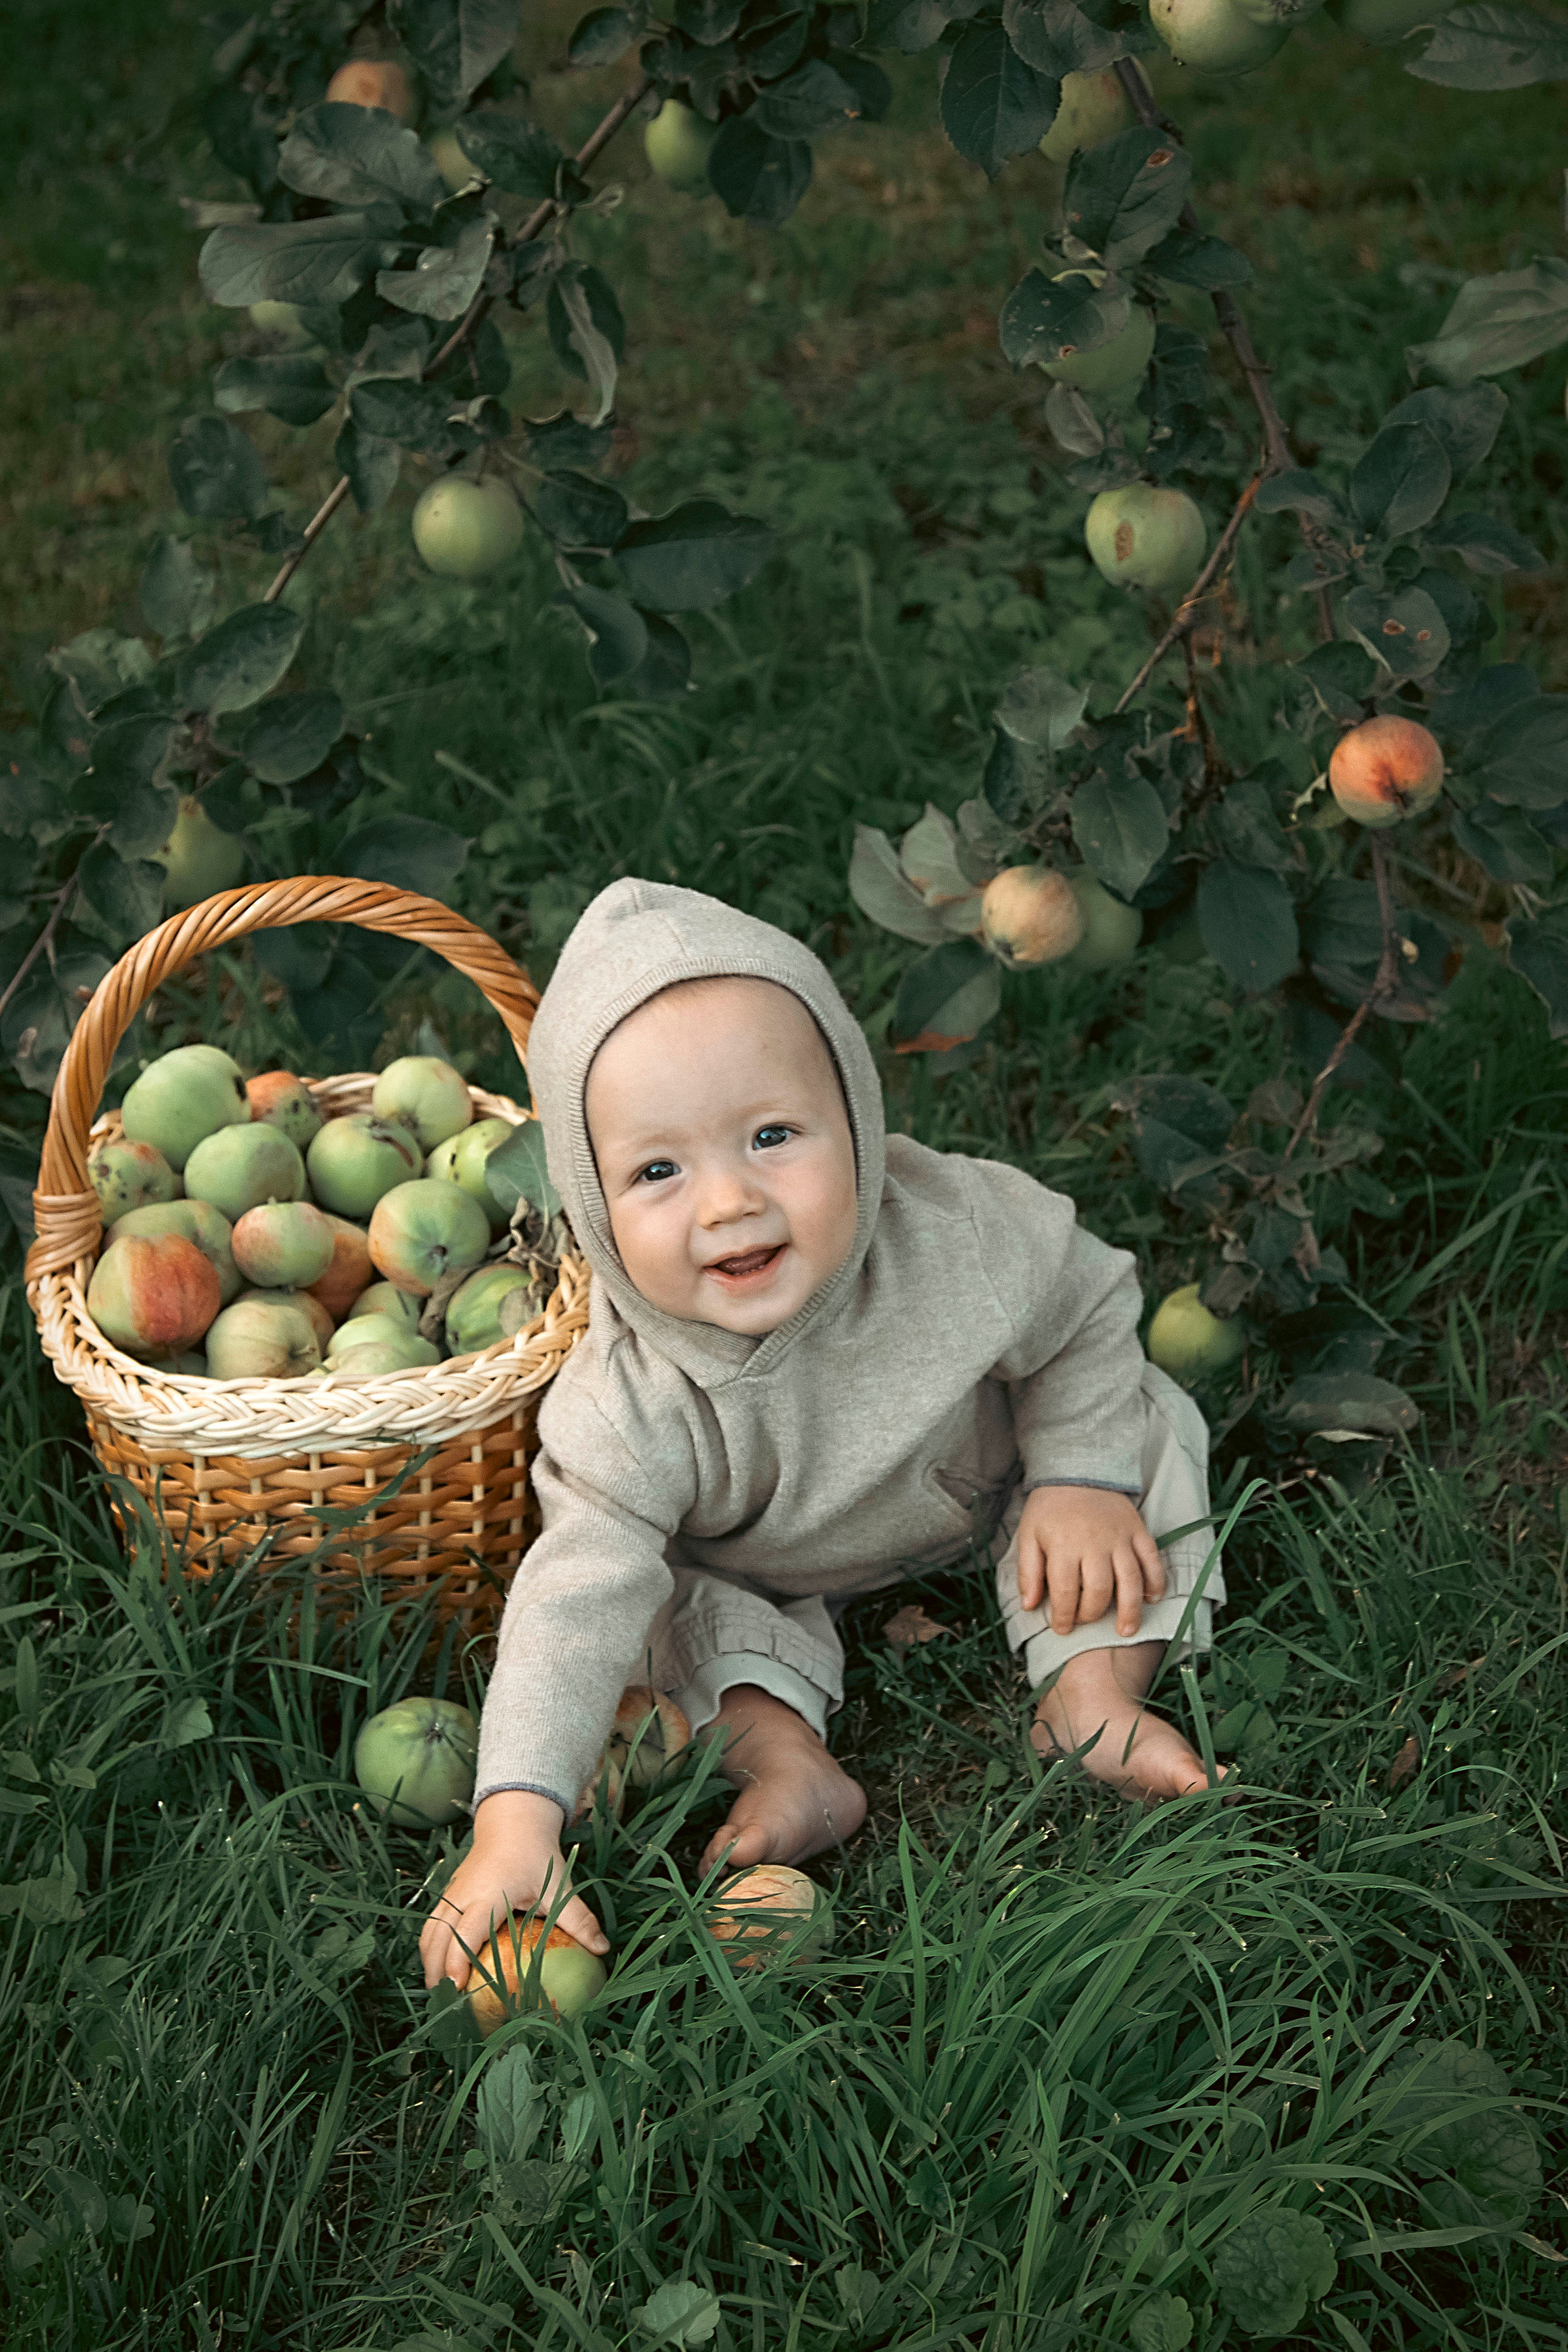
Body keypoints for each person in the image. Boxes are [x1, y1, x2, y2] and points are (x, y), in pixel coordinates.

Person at [421, 879, 1224, 1986]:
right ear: (592, 1204)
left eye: (772, 1135)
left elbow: (1086, 1305)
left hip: (992, 1487)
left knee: (1145, 1429)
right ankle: (791, 1765)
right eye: (658, 1171)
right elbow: (572, 1597)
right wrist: (516, 1821)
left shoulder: (954, 1233)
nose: (728, 1203)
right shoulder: (627, 1398)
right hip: (760, 1574)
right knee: (643, 1615)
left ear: (856, 1115)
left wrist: (1077, 1474)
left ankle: (1094, 1694)